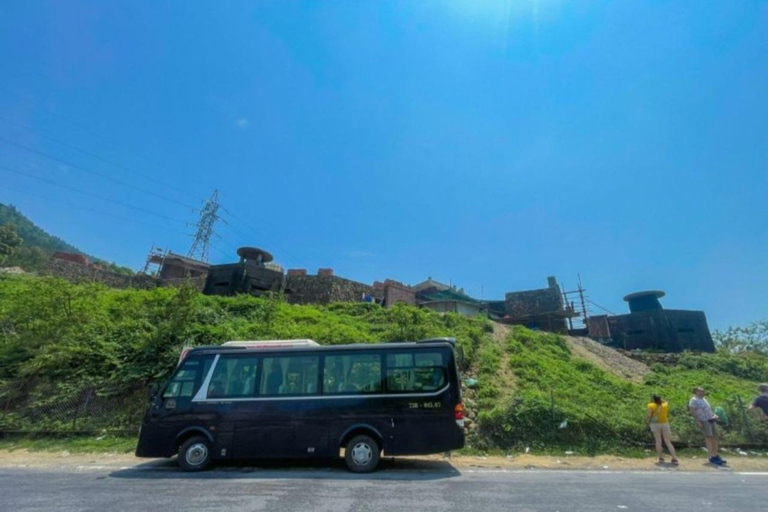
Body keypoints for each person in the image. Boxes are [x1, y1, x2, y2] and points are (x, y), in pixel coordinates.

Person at [689, 387, 726, 466]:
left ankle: (715, 454)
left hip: (711, 419)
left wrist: (714, 415)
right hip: (703, 420)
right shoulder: (694, 400)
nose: (703, 392)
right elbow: (692, 410)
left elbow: (708, 410)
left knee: (715, 437)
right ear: (696, 392)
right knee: (709, 437)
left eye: (703, 391)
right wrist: (697, 421)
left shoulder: (704, 399)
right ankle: (712, 456)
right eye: (701, 391)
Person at [646, 394, 679, 465]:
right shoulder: (665, 405)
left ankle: (660, 457)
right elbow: (665, 401)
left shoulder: (650, 406)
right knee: (668, 441)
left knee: (658, 440)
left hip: (655, 424)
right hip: (664, 423)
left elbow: (649, 415)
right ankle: (674, 458)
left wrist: (647, 421)